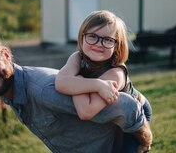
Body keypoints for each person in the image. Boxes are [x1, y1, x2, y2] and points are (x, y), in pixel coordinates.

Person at [0, 32, 151, 153]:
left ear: (7, 56)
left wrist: (144, 142)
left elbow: (127, 106)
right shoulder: (10, 90)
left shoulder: (44, 91)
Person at [55, 10, 153, 152]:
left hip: (135, 111)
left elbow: (85, 111)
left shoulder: (116, 73)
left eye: (108, 40)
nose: (99, 44)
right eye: (92, 36)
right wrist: (96, 84)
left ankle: (144, 145)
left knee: (125, 148)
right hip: (109, 109)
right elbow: (61, 82)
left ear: (117, 46)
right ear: (82, 37)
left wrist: (76, 81)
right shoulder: (77, 57)